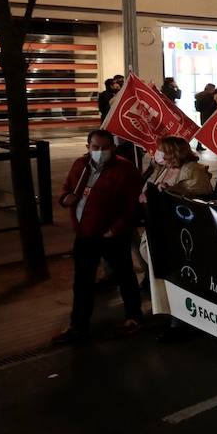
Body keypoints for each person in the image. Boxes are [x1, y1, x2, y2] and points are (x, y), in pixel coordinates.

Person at [52, 130, 145, 344]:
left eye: (105, 147)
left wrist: (116, 229)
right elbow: (66, 188)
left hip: (111, 235)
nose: (100, 152)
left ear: (113, 148)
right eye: (96, 147)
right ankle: (78, 326)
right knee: (82, 282)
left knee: (124, 276)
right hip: (85, 234)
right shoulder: (80, 165)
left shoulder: (125, 169)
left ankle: (134, 317)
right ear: (88, 147)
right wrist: (65, 198)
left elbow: (132, 205)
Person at [145, 136, 213, 197]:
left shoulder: (193, 169)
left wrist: (169, 190)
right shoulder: (164, 166)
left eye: (161, 150)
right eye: (158, 149)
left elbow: (197, 194)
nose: (157, 152)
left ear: (174, 152)